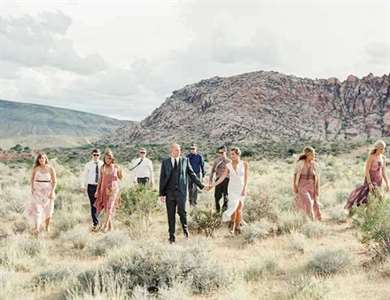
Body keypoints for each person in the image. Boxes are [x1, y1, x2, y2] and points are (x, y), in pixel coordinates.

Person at [159, 143, 209, 244]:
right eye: (176, 150)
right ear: (171, 151)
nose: (178, 152)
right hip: (169, 193)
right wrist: (161, 194)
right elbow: (162, 178)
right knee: (170, 215)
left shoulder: (185, 161)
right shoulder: (165, 162)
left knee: (182, 213)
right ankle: (171, 237)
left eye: (179, 150)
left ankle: (186, 232)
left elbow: (192, 174)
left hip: (181, 192)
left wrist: (201, 186)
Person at [212, 147, 248, 235]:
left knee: (239, 208)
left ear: (238, 154)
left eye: (233, 154)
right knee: (233, 208)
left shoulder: (244, 164)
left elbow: (246, 178)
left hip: (241, 188)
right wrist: (213, 185)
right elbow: (223, 177)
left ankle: (237, 227)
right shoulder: (228, 165)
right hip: (232, 189)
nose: (231, 156)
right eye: (230, 154)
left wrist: (245, 188)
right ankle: (232, 226)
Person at [345, 140, 389, 210]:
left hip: (379, 181)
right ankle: (359, 211)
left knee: (377, 199)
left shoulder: (383, 158)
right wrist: (369, 183)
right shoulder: (371, 156)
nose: (383, 150)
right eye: (381, 148)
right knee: (372, 198)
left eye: (384, 148)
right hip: (371, 180)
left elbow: (383, 171)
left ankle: (374, 214)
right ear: (377, 148)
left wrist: (387, 183)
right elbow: (367, 170)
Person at [26, 152, 57, 235]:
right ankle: (37, 228)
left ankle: (47, 227)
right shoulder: (36, 168)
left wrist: (52, 191)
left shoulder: (51, 168)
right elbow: (32, 179)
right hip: (37, 191)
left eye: (42, 158)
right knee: (37, 209)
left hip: (48, 191)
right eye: (39, 158)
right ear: (38, 160)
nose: (41, 159)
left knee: (48, 210)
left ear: (45, 159)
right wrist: (32, 188)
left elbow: (54, 181)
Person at [94, 150, 123, 232]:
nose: (108, 160)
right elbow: (100, 179)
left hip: (113, 189)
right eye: (106, 158)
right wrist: (97, 191)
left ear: (112, 159)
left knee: (109, 207)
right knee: (107, 208)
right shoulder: (102, 167)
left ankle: (105, 226)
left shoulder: (116, 167)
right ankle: (111, 227)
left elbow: (121, 177)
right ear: (104, 159)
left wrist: (118, 175)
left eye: (109, 158)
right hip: (104, 189)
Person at [292, 146, 322, 221]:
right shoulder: (300, 163)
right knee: (308, 202)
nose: (314, 156)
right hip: (302, 185)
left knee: (315, 203)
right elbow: (295, 175)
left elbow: (317, 178)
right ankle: (311, 220)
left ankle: (317, 220)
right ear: (307, 155)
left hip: (312, 185)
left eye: (314, 154)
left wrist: (317, 189)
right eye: (312, 155)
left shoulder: (315, 164)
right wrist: (295, 186)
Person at [80, 149, 103, 231]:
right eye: (94, 155)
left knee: (101, 204)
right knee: (93, 205)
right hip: (91, 186)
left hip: (101, 187)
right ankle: (95, 223)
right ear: (91, 155)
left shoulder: (102, 164)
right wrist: (82, 185)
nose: (96, 156)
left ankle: (99, 219)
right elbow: (84, 176)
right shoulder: (88, 165)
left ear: (100, 155)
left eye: (97, 155)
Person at [209, 146, 230, 213]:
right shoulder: (217, 161)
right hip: (218, 180)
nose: (220, 154)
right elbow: (212, 171)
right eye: (219, 152)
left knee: (226, 196)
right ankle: (217, 211)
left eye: (222, 152)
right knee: (217, 197)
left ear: (225, 152)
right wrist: (210, 180)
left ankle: (224, 211)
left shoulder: (229, 161)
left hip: (227, 180)